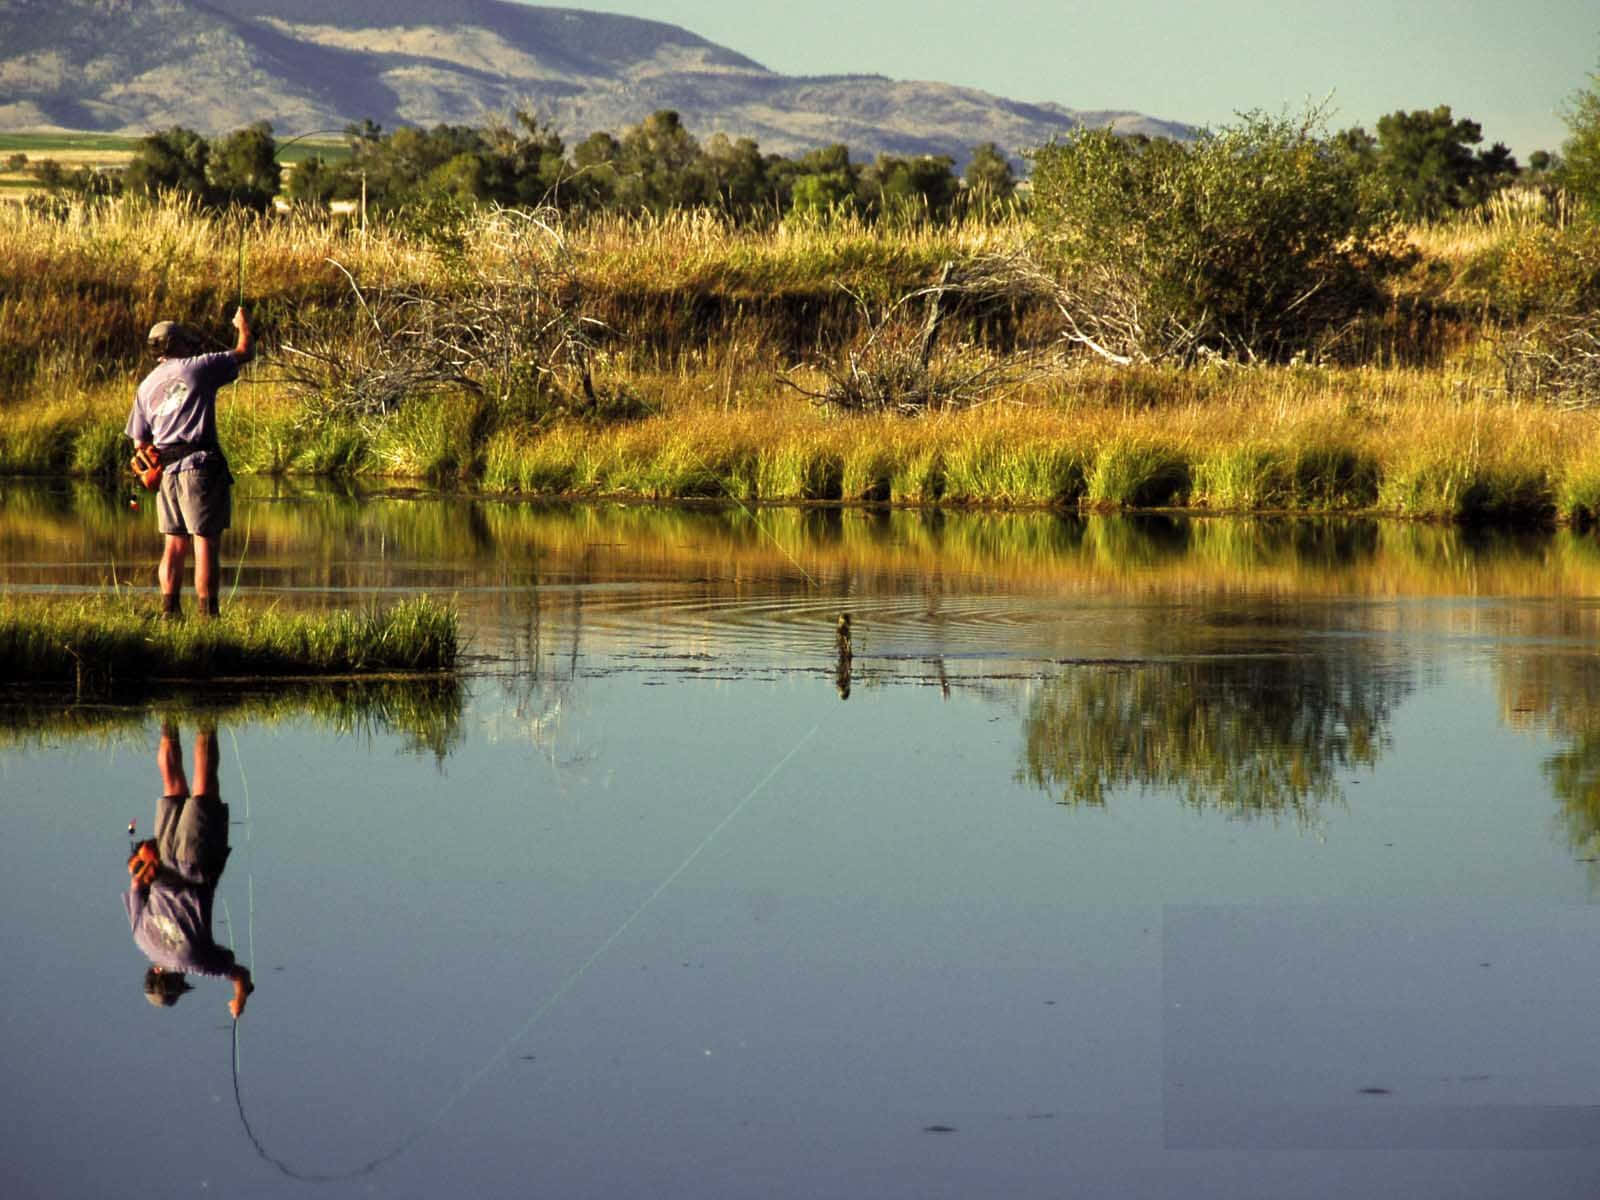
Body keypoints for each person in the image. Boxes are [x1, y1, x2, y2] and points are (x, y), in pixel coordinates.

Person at [125, 307, 254, 619]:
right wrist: (243, 325)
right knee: (205, 543)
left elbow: (140, 443)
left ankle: (170, 613)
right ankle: (208, 617)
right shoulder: (199, 367)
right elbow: (244, 351)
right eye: (186, 340)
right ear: (178, 344)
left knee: (173, 544)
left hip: (166, 472)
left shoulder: (145, 387)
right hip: (200, 466)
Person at [125, 719, 254, 1018]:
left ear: (174, 978)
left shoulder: (196, 963)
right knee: (172, 784)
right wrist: (146, 859)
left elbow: (239, 974)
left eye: (180, 982)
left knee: (204, 788)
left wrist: (240, 1000)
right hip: (163, 862)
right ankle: (168, 716)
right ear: (153, 972)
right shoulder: (140, 939)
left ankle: (206, 712)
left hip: (197, 866)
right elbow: (135, 886)